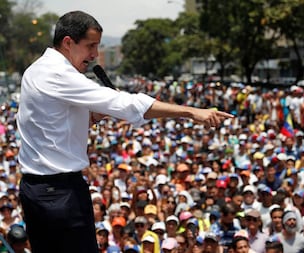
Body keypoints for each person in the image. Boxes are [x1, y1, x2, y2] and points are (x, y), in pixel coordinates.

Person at [16, 10, 233, 253]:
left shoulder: (36, 70)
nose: (95, 54)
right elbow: (128, 104)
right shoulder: (59, 73)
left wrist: (97, 114)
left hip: (37, 191)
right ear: (68, 43)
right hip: (60, 194)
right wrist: (192, 112)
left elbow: (56, 124)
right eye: (91, 46)